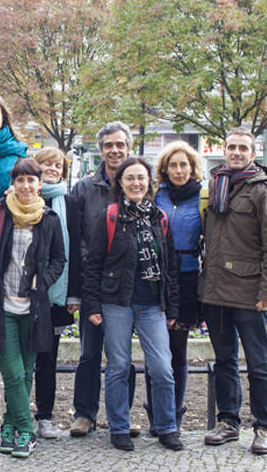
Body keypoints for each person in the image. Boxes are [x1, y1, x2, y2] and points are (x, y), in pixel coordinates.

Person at [81, 157, 182, 452]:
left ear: (149, 182)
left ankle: (166, 427)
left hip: (153, 305)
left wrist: (172, 308)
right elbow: (93, 264)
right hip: (116, 302)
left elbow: (170, 268)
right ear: (121, 184)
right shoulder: (110, 216)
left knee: (162, 368)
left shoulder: (159, 218)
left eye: (141, 178)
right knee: (119, 367)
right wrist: (93, 306)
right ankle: (119, 427)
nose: (136, 183)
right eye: (130, 179)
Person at [0, 158, 66, 459]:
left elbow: (59, 260)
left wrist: (44, 281)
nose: (26, 186)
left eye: (31, 180)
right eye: (20, 180)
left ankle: (8, 424)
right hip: (3, 306)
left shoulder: (49, 218)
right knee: (12, 371)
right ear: (13, 183)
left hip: (34, 308)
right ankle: (27, 430)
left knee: (26, 371)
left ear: (39, 184)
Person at [200, 127, 267, 455]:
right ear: (224, 149)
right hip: (216, 291)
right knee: (224, 360)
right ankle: (228, 422)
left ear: (253, 153)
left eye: (242, 148)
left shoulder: (263, 189)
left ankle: (264, 426)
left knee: (258, 363)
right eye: (231, 147)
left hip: (250, 292)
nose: (236, 152)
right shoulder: (217, 183)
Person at [69, 121, 138, 438]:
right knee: (89, 352)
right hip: (94, 282)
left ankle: (120, 415)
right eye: (109, 145)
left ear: (129, 147)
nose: (115, 150)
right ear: (100, 149)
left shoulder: (137, 184)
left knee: (122, 354)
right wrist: (91, 268)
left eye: (120, 145)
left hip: (127, 284)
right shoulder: (85, 188)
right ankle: (84, 414)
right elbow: (77, 235)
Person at [150, 141, 206, 435]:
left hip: (185, 276)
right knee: (155, 349)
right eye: (173, 165)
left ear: (192, 167)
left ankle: (174, 413)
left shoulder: (201, 197)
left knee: (177, 348)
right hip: (155, 274)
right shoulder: (155, 195)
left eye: (184, 164)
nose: (179, 170)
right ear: (165, 169)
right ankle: (155, 413)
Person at [31, 147, 82, 439]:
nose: (52, 168)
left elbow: (75, 247)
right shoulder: (22, 196)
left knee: (48, 357)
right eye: (46, 164)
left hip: (57, 293)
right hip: (24, 290)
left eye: (58, 164)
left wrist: (74, 294)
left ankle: (45, 415)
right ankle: (16, 416)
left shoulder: (70, 202)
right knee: (23, 356)